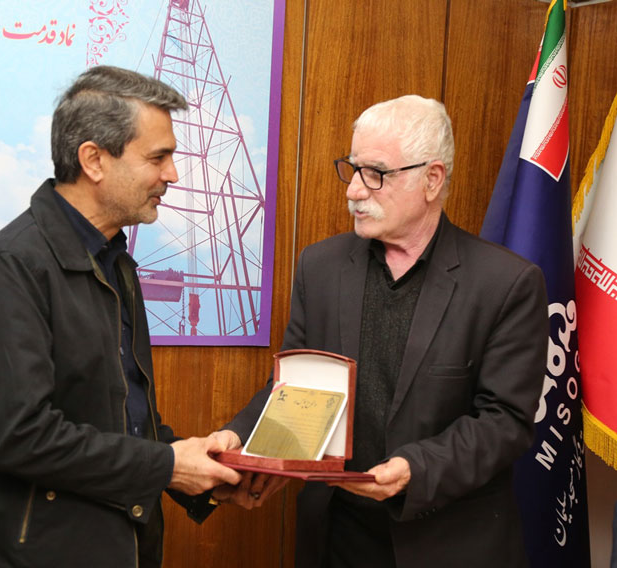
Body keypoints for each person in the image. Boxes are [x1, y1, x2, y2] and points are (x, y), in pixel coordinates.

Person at [216, 95, 548, 567]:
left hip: (447, 542)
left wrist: (416, 469)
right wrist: (239, 438)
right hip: (338, 538)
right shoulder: (320, 266)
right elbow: (293, 387)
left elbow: (505, 421)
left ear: (432, 179)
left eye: (375, 173)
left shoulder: (506, 283)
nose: (354, 190)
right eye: (353, 169)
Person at [0, 65, 241, 568]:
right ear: (94, 160)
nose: (172, 175)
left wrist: (202, 468)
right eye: (158, 157)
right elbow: (20, 436)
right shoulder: (10, 269)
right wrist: (167, 465)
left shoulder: (115, 262)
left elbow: (118, 423)